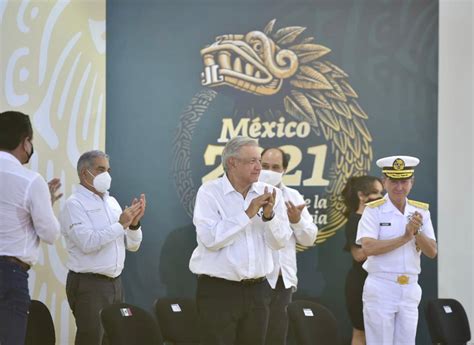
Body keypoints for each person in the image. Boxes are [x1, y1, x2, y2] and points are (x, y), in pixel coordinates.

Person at [189, 136, 292, 345]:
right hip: (219, 292)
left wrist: (269, 217)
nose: (258, 167)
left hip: (258, 291)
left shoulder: (271, 193)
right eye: (252, 161)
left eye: (259, 162)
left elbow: (279, 242)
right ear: (232, 163)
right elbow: (210, 239)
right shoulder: (209, 192)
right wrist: (248, 213)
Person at [60, 150, 146, 345]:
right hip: (90, 285)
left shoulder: (112, 202)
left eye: (108, 170)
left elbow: (132, 245)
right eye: (100, 169)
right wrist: (121, 224)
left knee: (115, 338)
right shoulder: (74, 205)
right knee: (92, 339)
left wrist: (133, 224)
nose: (107, 175)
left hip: (116, 284)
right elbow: (88, 243)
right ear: (84, 173)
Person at [356, 156, 437, 345]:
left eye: (404, 181)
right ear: (384, 182)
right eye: (394, 181)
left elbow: (432, 252)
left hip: (409, 288)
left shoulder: (421, 212)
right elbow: (368, 247)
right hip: (381, 286)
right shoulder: (373, 210)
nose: (399, 187)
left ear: (412, 182)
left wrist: (416, 232)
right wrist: (405, 237)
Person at [0, 110, 62, 345]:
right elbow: (50, 233)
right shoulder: (30, 180)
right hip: (10, 274)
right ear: (25, 142)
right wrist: (46, 203)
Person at [259, 147, 318, 345]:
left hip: (282, 280)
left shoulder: (293, 196)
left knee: (276, 336)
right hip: (254, 278)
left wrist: (297, 221)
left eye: (275, 167)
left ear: (284, 169)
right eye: (265, 166)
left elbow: (309, 238)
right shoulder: (246, 193)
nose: (269, 171)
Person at [341, 176, 383, 345]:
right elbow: (358, 255)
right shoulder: (354, 220)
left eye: (382, 192)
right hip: (360, 284)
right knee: (361, 332)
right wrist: (384, 245)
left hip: (381, 282)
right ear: (361, 195)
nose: (380, 197)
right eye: (376, 192)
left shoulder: (379, 219)